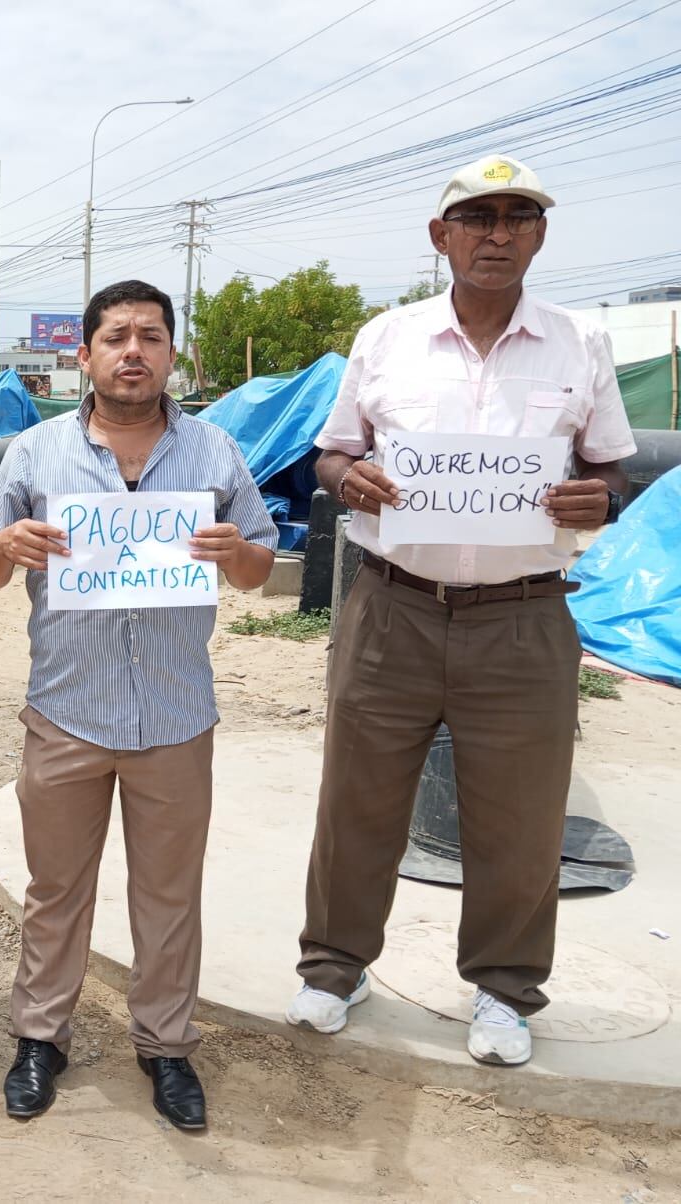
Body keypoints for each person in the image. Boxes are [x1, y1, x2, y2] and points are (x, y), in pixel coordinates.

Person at [286, 155, 636, 1066]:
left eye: (519, 217)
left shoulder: (579, 343)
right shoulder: (389, 338)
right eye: (477, 218)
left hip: (524, 619)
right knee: (357, 800)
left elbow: (609, 469)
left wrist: (600, 496)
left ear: (540, 236)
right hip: (392, 609)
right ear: (441, 236)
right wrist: (346, 476)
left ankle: (505, 993)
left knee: (520, 818)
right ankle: (334, 969)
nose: (498, 233)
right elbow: (330, 457)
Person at [0, 280, 276, 1130]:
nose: (132, 350)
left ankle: (167, 1046)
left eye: (150, 335)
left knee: (169, 892)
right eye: (115, 336)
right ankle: (41, 1038)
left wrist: (234, 552)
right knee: (56, 887)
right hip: (67, 711)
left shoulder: (215, 452)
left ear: (174, 353)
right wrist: (6, 544)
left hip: (176, 716)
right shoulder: (33, 453)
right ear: (86, 355)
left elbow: (259, 563)